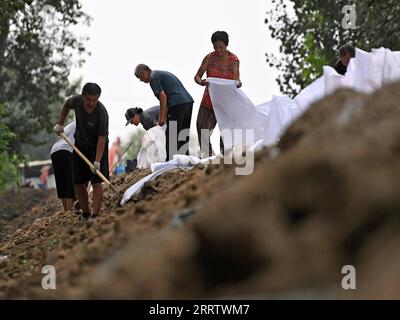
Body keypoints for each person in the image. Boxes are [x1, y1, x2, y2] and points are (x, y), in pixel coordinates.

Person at [53, 83, 109, 219]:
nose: (91, 103)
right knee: (78, 182)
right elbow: (66, 105)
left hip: (97, 148)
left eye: (95, 100)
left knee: (96, 181)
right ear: (83, 96)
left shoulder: (102, 112)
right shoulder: (76, 101)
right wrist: (60, 123)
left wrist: (97, 162)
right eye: (89, 99)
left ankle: (95, 215)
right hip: (80, 147)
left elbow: (101, 139)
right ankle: (85, 213)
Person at [194, 31, 242, 157]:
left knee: (225, 130)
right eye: (215, 47)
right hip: (208, 100)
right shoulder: (209, 57)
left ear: (226, 45)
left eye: (220, 47)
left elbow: (236, 79)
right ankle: (207, 155)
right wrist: (201, 82)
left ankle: (224, 157)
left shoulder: (234, 60)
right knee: (201, 127)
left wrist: (238, 83)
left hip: (225, 103)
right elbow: (197, 76)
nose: (218, 50)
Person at [134, 64, 194, 160]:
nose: (140, 80)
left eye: (139, 77)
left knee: (172, 135)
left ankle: (171, 163)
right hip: (187, 102)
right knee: (183, 133)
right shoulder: (159, 74)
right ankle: (185, 160)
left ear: (144, 72)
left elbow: (162, 96)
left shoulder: (153, 77)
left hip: (176, 104)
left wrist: (162, 118)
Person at [50, 121, 76, 212]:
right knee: (70, 183)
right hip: (66, 150)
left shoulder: (72, 124)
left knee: (61, 182)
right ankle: (69, 213)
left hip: (54, 151)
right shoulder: (82, 123)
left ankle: (66, 212)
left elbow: (60, 134)